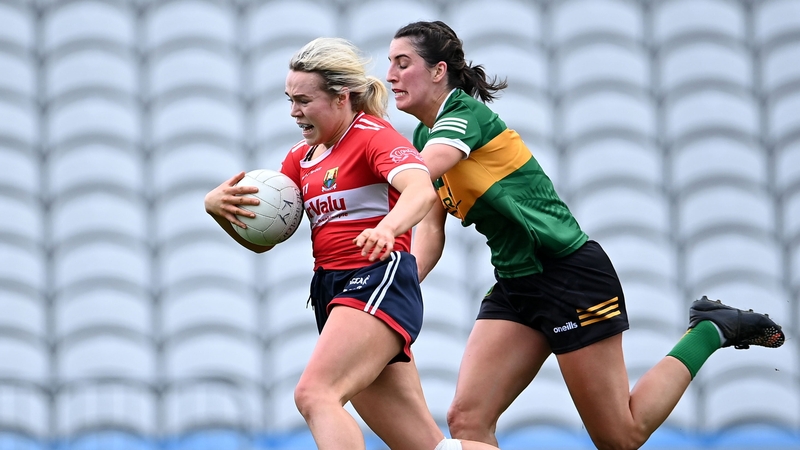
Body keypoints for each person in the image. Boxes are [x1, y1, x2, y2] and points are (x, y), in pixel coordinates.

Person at [386, 20, 786, 450]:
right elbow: (429, 227)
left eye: (402, 63)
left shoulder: (462, 116)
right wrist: (397, 281)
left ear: (438, 70)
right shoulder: (424, 135)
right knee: (466, 418)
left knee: (620, 437)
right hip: (517, 281)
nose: (390, 75)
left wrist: (369, 175)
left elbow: (421, 176)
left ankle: (712, 328)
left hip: (569, 277)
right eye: (390, 64)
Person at [205, 37, 502, 450]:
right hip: (331, 290)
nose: (294, 112)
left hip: (377, 280)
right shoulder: (300, 158)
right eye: (289, 100)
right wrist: (220, 212)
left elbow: (419, 190)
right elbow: (263, 242)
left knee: (314, 393)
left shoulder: (372, 136)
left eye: (304, 100)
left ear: (341, 97)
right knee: (427, 447)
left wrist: (388, 229)